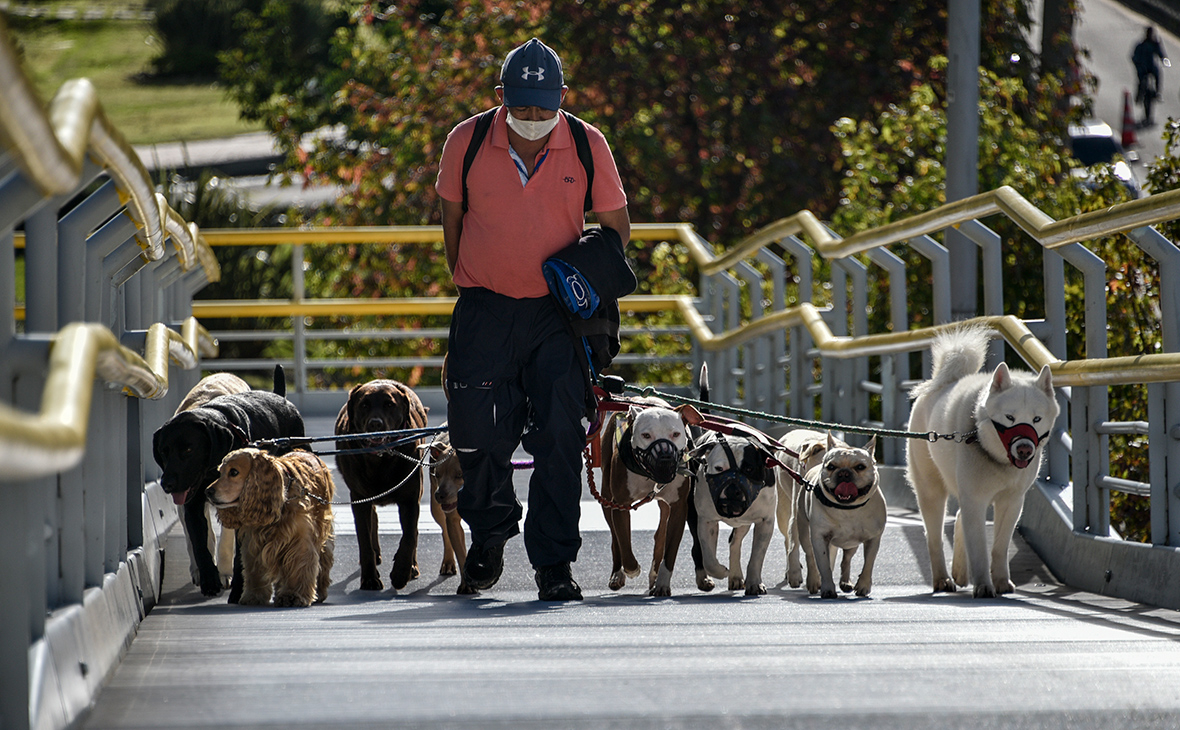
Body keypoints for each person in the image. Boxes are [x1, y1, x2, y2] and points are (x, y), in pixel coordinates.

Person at [435, 38, 630, 601]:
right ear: (501, 97)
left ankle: (553, 564)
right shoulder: (466, 141)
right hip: (484, 309)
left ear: (563, 98)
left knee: (560, 438)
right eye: (522, 107)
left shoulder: (588, 144)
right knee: (475, 435)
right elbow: (452, 219)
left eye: (546, 107)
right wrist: (469, 277)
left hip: (557, 317)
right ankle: (491, 533)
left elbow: (616, 229)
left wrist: (581, 275)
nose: (535, 118)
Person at [1133, 26, 1169, 126]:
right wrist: (1137, 64)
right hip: (1143, 67)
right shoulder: (1141, 45)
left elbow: (1162, 54)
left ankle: (1158, 92)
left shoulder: (1155, 44)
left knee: (1158, 74)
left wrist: (1164, 61)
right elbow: (1135, 56)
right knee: (1141, 80)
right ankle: (1139, 95)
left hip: (1152, 67)